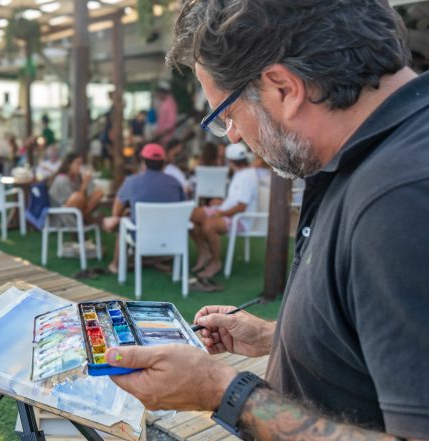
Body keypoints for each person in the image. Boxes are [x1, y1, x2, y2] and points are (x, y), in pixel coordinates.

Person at [105, 2, 429, 441]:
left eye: (227, 115)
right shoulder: (372, 155)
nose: (234, 135)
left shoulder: (402, 198)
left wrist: (224, 393)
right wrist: (277, 336)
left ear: (283, 88)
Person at [103, 143, 185, 274]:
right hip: (171, 238)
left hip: (141, 237)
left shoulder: (132, 182)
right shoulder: (175, 182)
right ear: (163, 163)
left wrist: (127, 213)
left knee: (123, 220)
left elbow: (116, 212)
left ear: (143, 162)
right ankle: (155, 259)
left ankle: (116, 265)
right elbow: (182, 210)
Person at [190, 143, 258, 279]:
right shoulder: (241, 172)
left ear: (230, 161)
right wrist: (222, 202)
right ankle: (204, 253)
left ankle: (215, 262)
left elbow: (241, 207)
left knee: (208, 225)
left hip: (240, 219)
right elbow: (236, 199)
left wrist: (221, 213)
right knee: (191, 215)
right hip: (227, 211)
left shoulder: (247, 176)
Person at [48, 152, 104, 226]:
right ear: (69, 165)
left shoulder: (77, 178)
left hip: (76, 211)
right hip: (61, 214)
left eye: (81, 164)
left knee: (98, 193)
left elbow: (86, 197)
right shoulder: (61, 179)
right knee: (77, 197)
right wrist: (84, 184)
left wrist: (88, 182)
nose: (80, 167)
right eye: (78, 164)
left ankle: (87, 220)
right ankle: (90, 220)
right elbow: (76, 200)